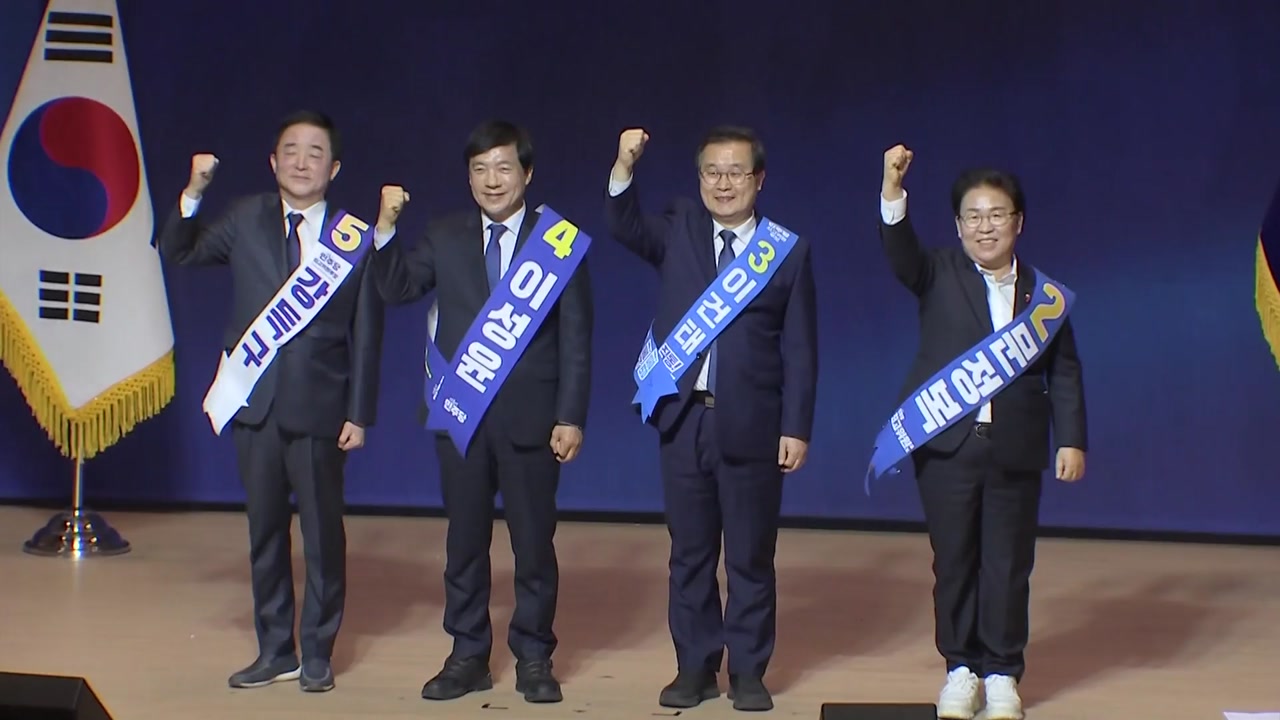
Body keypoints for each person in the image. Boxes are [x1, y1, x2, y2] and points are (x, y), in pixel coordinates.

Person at [157, 110, 396, 693]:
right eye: (291, 150)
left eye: (315, 152)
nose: (301, 162)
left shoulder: (352, 237)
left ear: (333, 169)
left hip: (321, 409)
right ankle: (275, 650)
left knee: (322, 536)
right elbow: (180, 251)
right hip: (255, 404)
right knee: (264, 533)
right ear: (272, 161)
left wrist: (359, 413)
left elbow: (367, 333)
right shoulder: (245, 218)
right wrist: (194, 192)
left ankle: (317, 651)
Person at [371, 120, 592, 704]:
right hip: (460, 414)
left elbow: (576, 337)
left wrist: (570, 415)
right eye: (479, 169)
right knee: (464, 544)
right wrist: (385, 231)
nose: (492, 180)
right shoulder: (443, 236)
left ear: (527, 173)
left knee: (533, 546)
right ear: (468, 177)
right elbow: (397, 288)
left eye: (503, 168)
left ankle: (534, 656)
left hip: (534, 420)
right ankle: (467, 654)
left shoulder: (558, 241)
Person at [603, 126, 818, 712]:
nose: (723, 184)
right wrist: (624, 165)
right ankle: (694, 668)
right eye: (712, 172)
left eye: (735, 172)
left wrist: (796, 426)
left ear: (759, 179)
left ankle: (747, 672)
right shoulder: (679, 229)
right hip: (683, 423)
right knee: (690, 555)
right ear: (699, 178)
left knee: (750, 556)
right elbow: (623, 224)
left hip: (754, 425)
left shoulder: (787, 250)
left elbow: (802, 348)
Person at [877, 144, 1087, 720]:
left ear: (1019, 222)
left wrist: (1071, 439)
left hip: (1016, 448)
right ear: (958, 225)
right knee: (954, 562)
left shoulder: (1045, 297)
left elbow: (1065, 370)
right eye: (973, 216)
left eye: (996, 215)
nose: (985, 226)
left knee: (1008, 566)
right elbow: (900, 252)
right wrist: (893, 189)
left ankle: (1002, 674)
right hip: (947, 448)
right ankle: (960, 669)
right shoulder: (938, 273)